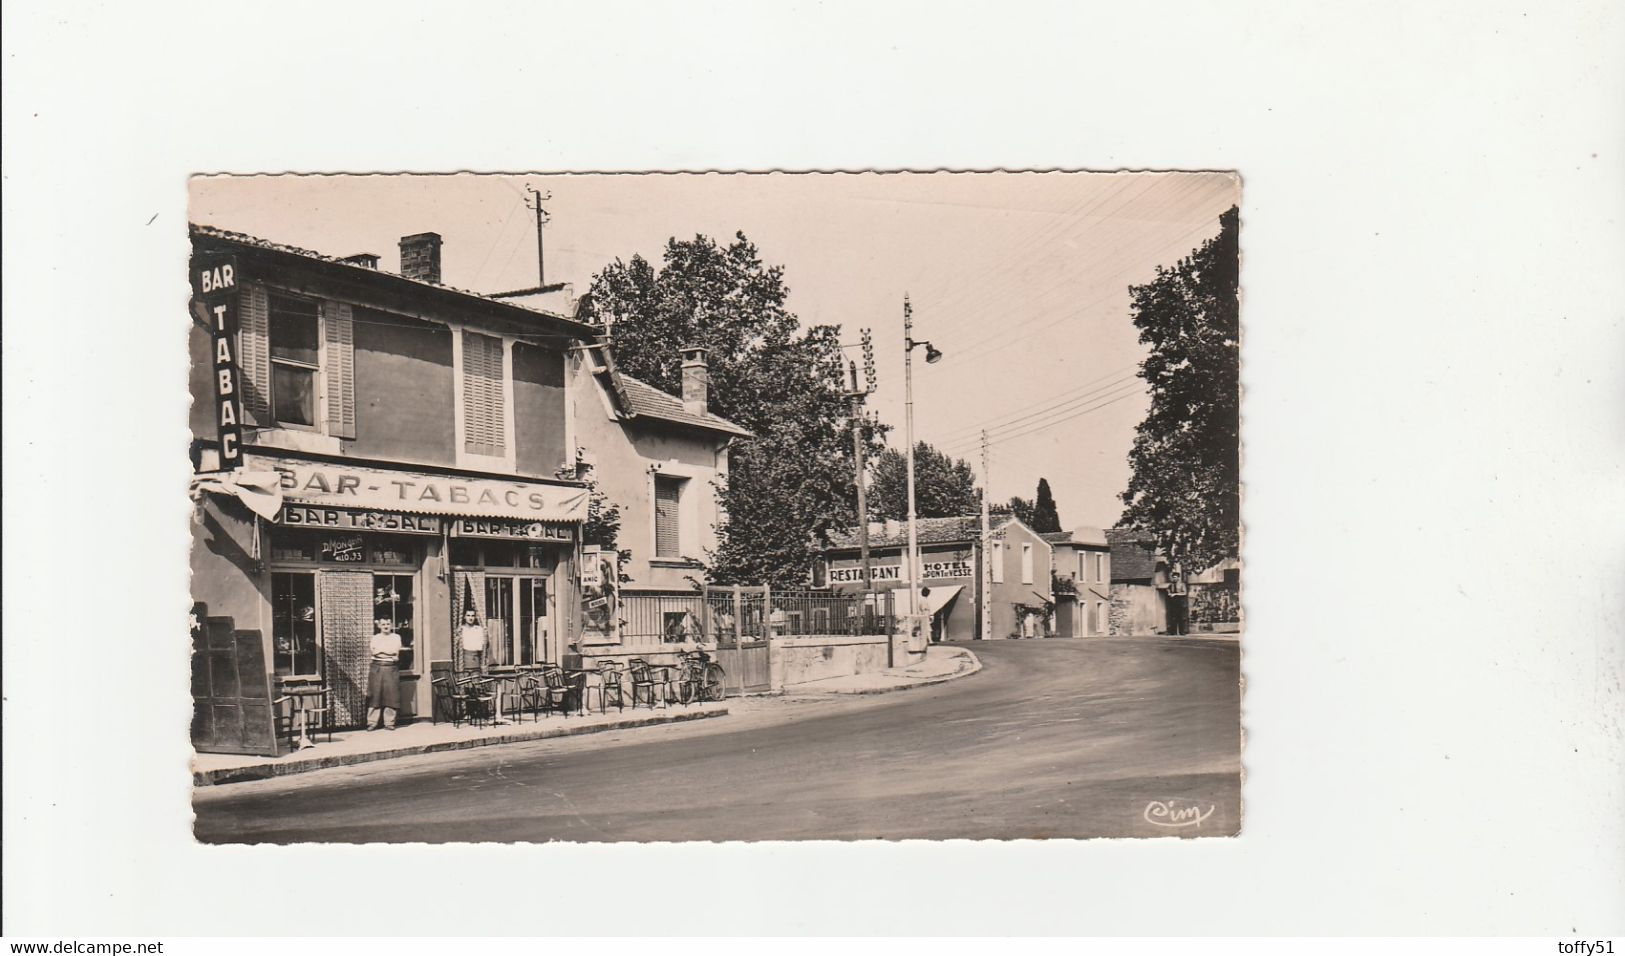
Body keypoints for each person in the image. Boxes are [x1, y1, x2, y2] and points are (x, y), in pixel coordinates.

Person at [366, 617, 403, 730]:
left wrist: (384, 651)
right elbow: (375, 652)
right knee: (375, 696)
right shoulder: (375, 638)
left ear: (391, 625)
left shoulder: (396, 637)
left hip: (391, 668)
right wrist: (388, 653)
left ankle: (389, 723)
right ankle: (372, 723)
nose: (386, 626)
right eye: (383, 624)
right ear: (379, 626)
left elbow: (395, 651)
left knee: (391, 696)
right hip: (377, 668)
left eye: (388, 624)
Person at [458, 608, 487, 674]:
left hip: (476, 660)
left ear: (475, 617)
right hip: (464, 661)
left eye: (472, 616)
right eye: (468, 615)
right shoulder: (461, 629)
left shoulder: (479, 629)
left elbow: (481, 645)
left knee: (476, 681)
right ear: (464, 617)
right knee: (465, 682)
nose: (470, 618)